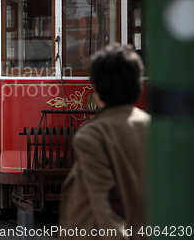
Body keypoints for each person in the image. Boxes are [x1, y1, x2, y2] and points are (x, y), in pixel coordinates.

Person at [58, 44, 150, 240]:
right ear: (138, 85)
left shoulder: (93, 135)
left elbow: (106, 204)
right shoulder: (154, 129)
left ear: (97, 89)